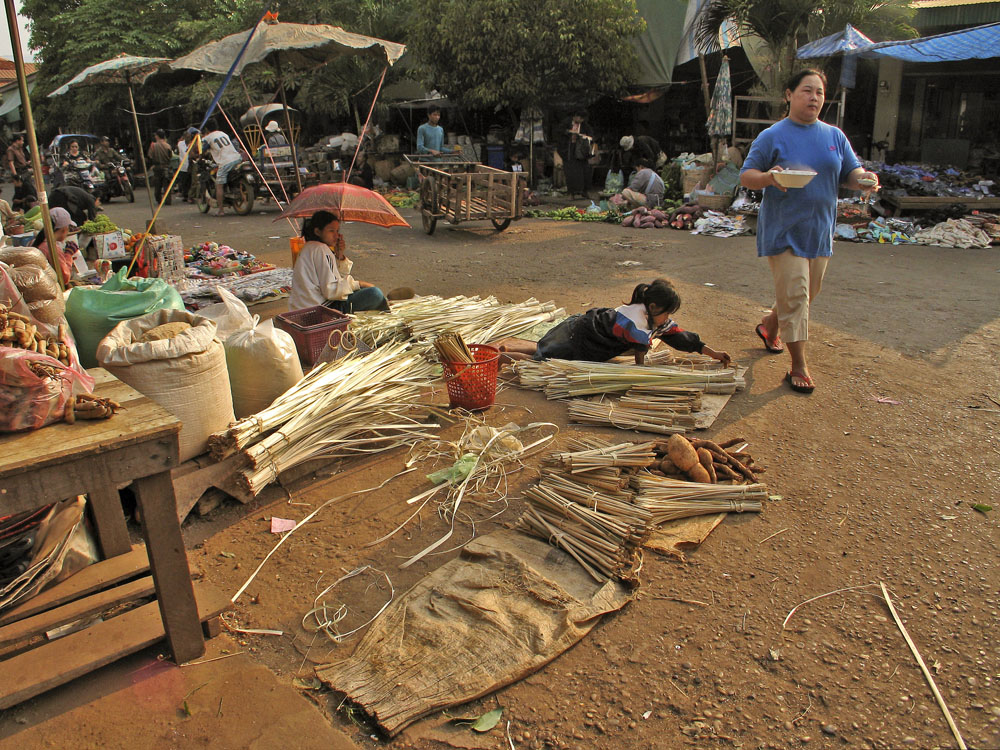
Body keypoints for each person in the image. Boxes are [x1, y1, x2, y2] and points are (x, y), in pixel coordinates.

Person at [740, 69, 879, 394]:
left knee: (805, 293)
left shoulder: (834, 136)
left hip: (819, 231)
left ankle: (769, 325)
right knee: (798, 296)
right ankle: (798, 365)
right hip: (782, 230)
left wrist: (864, 179)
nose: (814, 97)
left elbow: (849, 172)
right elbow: (747, 176)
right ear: (789, 94)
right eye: (806, 91)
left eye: (819, 92)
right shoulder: (772, 136)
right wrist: (769, 178)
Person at [494, 279, 730, 367]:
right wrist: (640, 374)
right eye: (666, 314)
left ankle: (502, 348)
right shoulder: (636, 320)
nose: (667, 320)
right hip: (581, 339)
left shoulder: (651, 316)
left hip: (580, 329)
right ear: (655, 307)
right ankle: (498, 357)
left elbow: (679, 336)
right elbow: (640, 352)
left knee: (542, 348)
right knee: (542, 361)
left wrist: (711, 352)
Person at [289, 210, 389, 313]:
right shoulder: (321, 249)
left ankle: (384, 303)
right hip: (320, 310)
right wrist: (358, 284)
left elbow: (335, 277)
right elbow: (331, 290)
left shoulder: (310, 247)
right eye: (331, 231)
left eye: (337, 231)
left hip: (303, 308)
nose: (336, 236)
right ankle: (386, 305)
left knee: (363, 292)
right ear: (318, 232)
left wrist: (339, 255)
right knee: (374, 293)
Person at [199, 127, 243, 217]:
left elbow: (202, 150)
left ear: (206, 131)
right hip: (237, 158)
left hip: (225, 162)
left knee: (219, 185)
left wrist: (199, 158)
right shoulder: (223, 133)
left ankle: (221, 210)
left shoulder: (208, 138)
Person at [31, 207, 78, 285]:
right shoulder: (51, 248)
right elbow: (64, 278)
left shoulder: (37, 241)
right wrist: (68, 255)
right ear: (64, 229)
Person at [558, 111, 595, 199]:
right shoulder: (566, 123)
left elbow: (591, 136)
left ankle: (585, 191)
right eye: (580, 117)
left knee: (585, 172)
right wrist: (569, 133)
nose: (581, 120)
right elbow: (560, 133)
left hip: (581, 152)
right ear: (575, 116)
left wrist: (582, 136)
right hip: (569, 151)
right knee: (571, 173)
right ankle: (571, 193)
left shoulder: (585, 126)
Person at [147, 129, 173, 206]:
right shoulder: (168, 145)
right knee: (167, 185)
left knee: (158, 184)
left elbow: (150, 155)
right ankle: (168, 201)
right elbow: (170, 156)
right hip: (166, 166)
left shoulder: (153, 145)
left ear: (157, 136)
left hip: (157, 167)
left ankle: (159, 199)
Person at [176, 132, 192, 203]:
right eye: (187, 136)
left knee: (190, 181)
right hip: (183, 165)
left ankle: (190, 196)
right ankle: (185, 195)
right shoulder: (180, 144)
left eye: (189, 137)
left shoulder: (192, 143)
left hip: (190, 165)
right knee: (184, 182)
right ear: (184, 137)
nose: (188, 138)